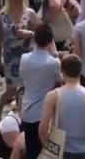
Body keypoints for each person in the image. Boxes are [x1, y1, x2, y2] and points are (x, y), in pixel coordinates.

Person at [38, 54, 85, 159]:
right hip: (84, 150)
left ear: (62, 71)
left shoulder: (53, 96)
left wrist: (49, 146)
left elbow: (43, 129)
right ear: (81, 70)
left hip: (61, 150)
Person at [0, 0, 39, 116]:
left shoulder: (30, 13)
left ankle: (22, 114)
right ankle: (0, 108)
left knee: (27, 87)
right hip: (10, 56)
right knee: (12, 89)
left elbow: (42, 34)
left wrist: (29, 34)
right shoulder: (2, 16)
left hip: (28, 55)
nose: (19, 0)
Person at [21, 25, 63, 159]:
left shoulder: (24, 58)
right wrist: (55, 53)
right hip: (45, 112)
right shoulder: (53, 63)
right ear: (51, 41)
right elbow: (60, 80)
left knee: (31, 151)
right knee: (48, 153)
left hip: (27, 109)